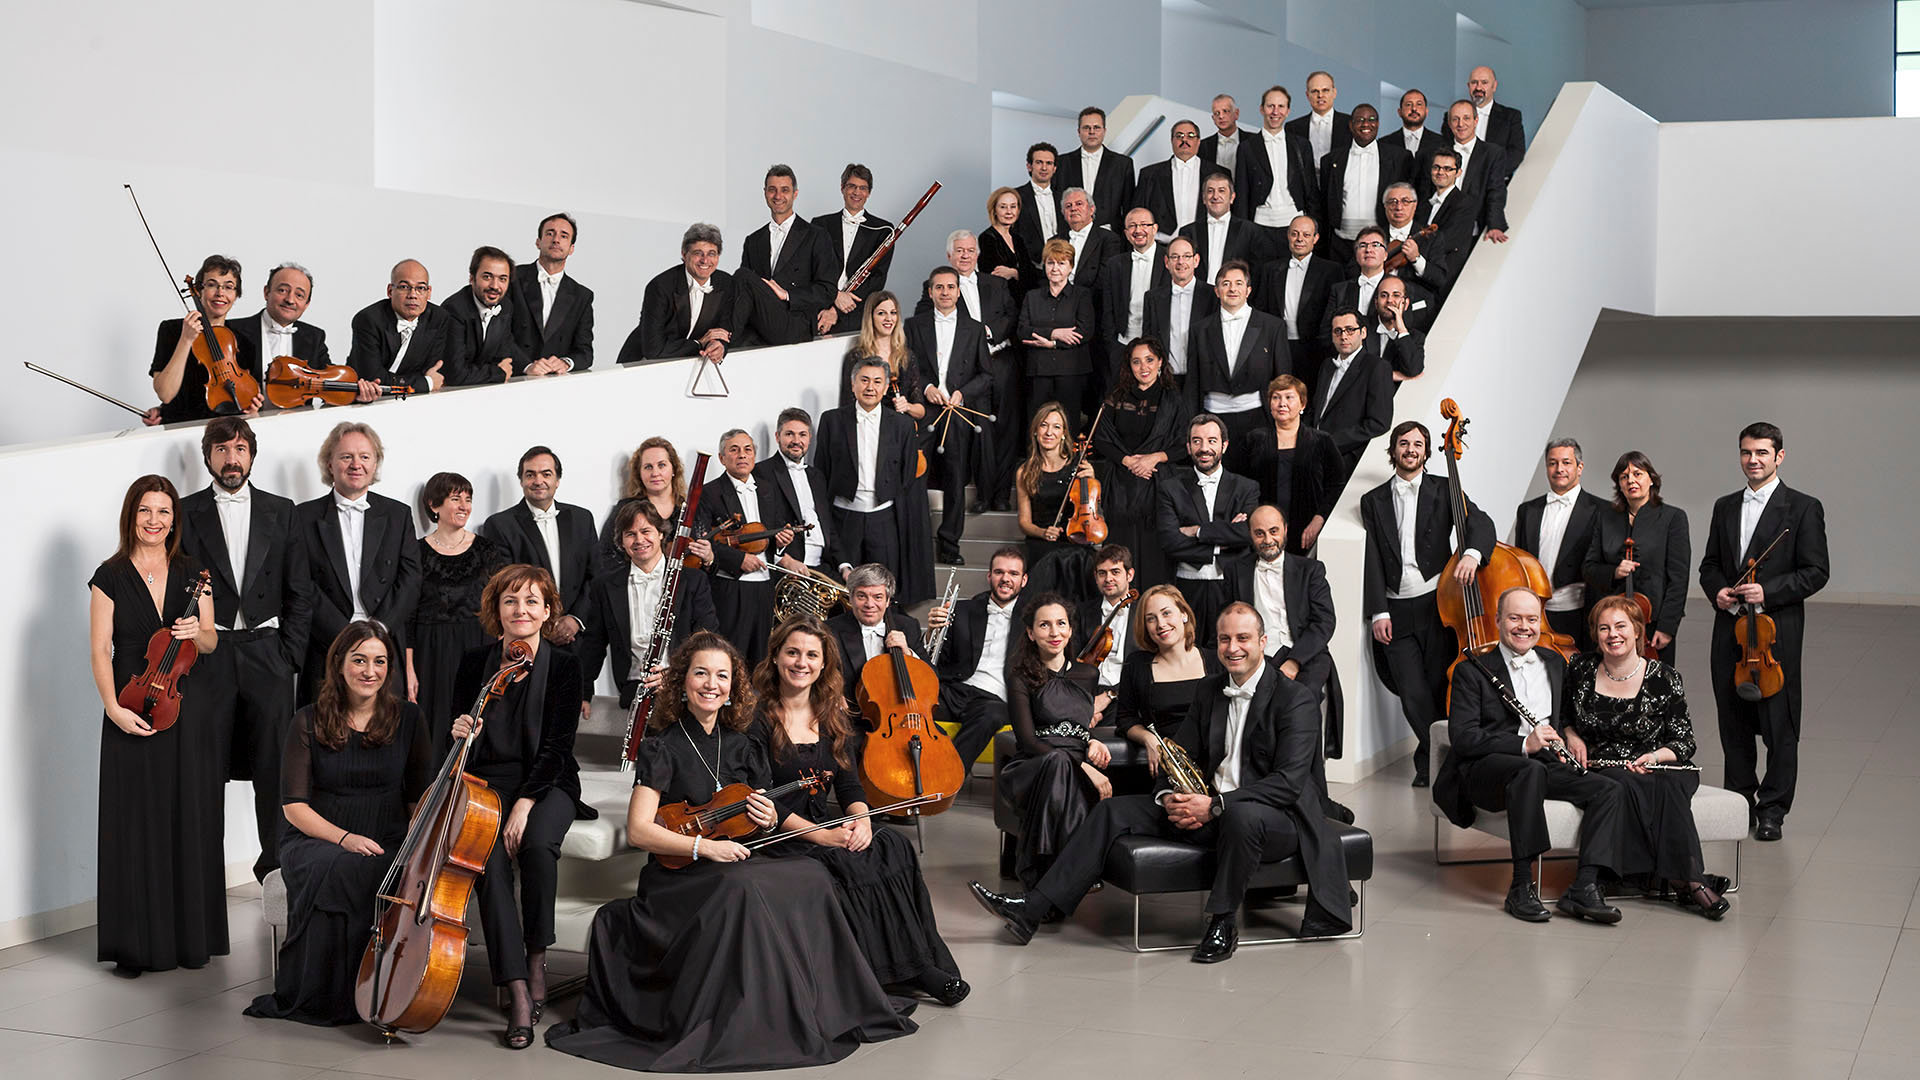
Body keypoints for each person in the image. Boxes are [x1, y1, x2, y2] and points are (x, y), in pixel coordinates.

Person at [545, 632, 916, 1069]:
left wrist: (767, 816)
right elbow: (641, 831)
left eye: (722, 676)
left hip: (732, 860)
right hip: (679, 876)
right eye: (701, 673)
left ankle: (809, 1009)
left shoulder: (741, 742)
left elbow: (758, 816)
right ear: (683, 682)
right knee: (744, 888)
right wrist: (703, 847)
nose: (711, 684)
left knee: (811, 875)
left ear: (733, 686)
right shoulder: (661, 744)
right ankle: (749, 1020)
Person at [971, 603, 1354, 961]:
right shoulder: (1210, 689)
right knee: (1111, 811)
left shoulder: (1295, 699)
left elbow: (1287, 783)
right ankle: (1033, 908)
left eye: (1243, 638)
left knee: (1243, 817)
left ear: (1263, 642)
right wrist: (1170, 795)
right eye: (1224, 639)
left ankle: (1223, 923)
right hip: (1207, 805)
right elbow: (1179, 753)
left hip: (1273, 819)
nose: (1232, 648)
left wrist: (1215, 806)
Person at [751, 618, 967, 1004]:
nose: (801, 662)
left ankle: (916, 963)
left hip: (824, 825)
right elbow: (765, 799)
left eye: (811, 655)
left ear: (823, 664)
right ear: (776, 657)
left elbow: (849, 785)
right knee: (845, 863)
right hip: (779, 835)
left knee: (892, 847)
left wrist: (862, 819)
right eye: (792, 652)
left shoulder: (832, 716)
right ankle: (888, 973)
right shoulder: (757, 719)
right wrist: (823, 836)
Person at [243, 622, 431, 1024]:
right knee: (344, 864)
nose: (370, 671)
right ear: (340, 665)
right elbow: (294, 807)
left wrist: (418, 846)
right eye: (359, 660)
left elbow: (418, 798)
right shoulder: (307, 720)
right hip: (317, 835)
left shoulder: (410, 718)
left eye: (379, 661)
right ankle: (333, 996)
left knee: (374, 864)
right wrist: (344, 838)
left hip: (386, 833)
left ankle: (375, 989)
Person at [449, 564, 592, 1048]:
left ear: (548, 610)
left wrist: (525, 803)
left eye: (532, 601)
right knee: (486, 860)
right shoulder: (475, 662)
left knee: (536, 845)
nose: (521, 610)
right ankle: (515, 989)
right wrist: (461, 732)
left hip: (548, 782)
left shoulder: (566, 666)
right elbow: (459, 732)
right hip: (487, 784)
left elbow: (557, 746)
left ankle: (535, 960)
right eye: (510, 601)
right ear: (498, 610)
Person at [89, 475, 224, 976]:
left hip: (183, 710)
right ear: (132, 515)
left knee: (187, 816)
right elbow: (99, 649)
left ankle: (189, 942)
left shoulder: (192, 572)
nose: (154, 520)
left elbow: (210, 641)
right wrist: (112, 708)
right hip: (130, 705)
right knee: (133, 823)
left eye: (163, 511)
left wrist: (196, 632)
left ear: (174, 519)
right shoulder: (109, 575)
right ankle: (133, 946)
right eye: (145, 510)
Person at [1435, 588, 1626, 924]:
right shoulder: (1472, 670)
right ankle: (1521, 887)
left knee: (1608, 789)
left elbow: (1562, 716)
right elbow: (1463, 739)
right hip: (1486, 769)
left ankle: (1584, 886)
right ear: (1498, 620)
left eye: (1532, 619)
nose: (1524, 627)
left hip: (1542, 763)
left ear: (1541, 623)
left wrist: (1569, 734)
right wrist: (1524, 744)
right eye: (1515, 618)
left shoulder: (1554, 662)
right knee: (1529, 772)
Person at [176, 417, 312, 881]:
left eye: (239, 449)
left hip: (267, 653)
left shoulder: (282, 509)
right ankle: (203, 881)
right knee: (204, 767)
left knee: (275, 768)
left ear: (252, 455)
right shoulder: (185, 512)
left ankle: (277, 872)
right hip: (207, 655)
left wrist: (288, 657)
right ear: (207, 457)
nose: (231, 459)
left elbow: (300, 590)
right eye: (221, 449)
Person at [1699, 421, 1829, 841]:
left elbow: (1816, 571)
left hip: (1774, 633)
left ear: (1779, 456)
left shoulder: (1803, 508)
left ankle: (1772, 809)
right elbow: (1709, 564)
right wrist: (1718, 590)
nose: (1752, 460)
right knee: (1732, 722)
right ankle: (1740, 802)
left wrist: (1768, 592)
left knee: (1779, 726)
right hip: (1729, 629)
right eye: (1746, 452)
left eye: (1761, 453)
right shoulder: (1724, 506)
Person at [1564, 596, 1729, 919]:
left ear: (1637, 631)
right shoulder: (1580, 669)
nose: (1613, 634)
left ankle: (1682, 879)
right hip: (1607, 765)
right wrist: (1572, 735)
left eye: (1621, 626)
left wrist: (1654, 756)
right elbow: (1562, 717)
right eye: (1604, 628)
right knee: (1626, 785)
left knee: (1666, 784)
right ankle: (1690, 880)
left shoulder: (1664, 676)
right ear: (1595, 634)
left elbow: (1684, 741)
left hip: (1659, 761)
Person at [1362, 420, 1494, 787]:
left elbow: (1481, 522)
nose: (1410, 450)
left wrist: (1471, 554)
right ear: (1394, 449)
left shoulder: (1444, 488)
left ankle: (1430, 765)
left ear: (1426, 451)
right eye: (1403, 443)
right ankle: (1448, 761)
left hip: (1437, 604)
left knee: (1438, 684)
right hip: (1395, 608)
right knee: (1411, 692)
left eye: (1417, 444)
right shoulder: (1372, 500)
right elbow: (1372, 557)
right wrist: (1378, 610)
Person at [294, 422, 422, 705]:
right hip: (327, 644)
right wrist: (345, 635)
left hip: (384, 644)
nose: (356, 464)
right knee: (326, 727)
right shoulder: (302, 516)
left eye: (365, 456)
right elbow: (302, 584)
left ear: (375, 464)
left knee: (385, 727)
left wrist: (377, 632)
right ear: (330, 464)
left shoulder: (398, 514)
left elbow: (410, 580)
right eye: (346, 456)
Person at [996, 595, 1104, 887]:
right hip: (1034, 766)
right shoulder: (1018, 676)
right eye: (1044, 625)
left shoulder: (1088, 674)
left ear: (1070, 629)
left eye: (1061, 624)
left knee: (1061, 769)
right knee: (1057, 763)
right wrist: (1083, 767)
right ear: (1031, 633)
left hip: (1073, 764)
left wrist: (1092, 741)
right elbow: (1027, 740)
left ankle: (1041, 886)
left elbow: (1080, 723)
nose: (1054, 632)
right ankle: (1076, 873)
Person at [577, 500, 718, 712]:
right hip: (635, 689)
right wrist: (583, 694)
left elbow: (707, 638)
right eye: (630, 534)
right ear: (621, 541)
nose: (639, 540)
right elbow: (593, 644)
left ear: (661, 534)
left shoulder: (692, 580)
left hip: (683, 686)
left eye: (646, 531)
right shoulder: (605, 585)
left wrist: (676, 675)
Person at [408, 471, 508, 759]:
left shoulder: (488, 550)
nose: (464, 505)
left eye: (468, 499)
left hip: (478, 645)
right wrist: (409, 668)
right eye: (455, 498)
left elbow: (500, 605)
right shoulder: (416, 552)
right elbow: (408, 615)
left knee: (477, 720)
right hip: (431, 651)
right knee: (435, 724)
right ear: (434, 505)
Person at [818, 357, 933, 602]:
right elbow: (822, 471)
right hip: (844, 517)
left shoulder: (903, 424)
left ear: (885, 387)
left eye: (877, 381)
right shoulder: (831, 420)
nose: (870, 387)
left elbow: (907, 474)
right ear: (853, 385)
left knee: (884, 588)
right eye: (864, 380)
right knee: (843, 591)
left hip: (884, 517)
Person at [905, 266, 993, 563]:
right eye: (939, 287)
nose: (945, 292)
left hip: (957, 412)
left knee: (955, 480)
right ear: (930, 292)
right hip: (924, 410)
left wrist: (963, 394)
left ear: (958, 291)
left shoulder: (975, 328)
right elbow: (906, 365)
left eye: (950, 287)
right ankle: (916, 541)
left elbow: (986, 375)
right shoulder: (913, 325)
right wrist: (926, 387)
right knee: (916, 476)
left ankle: (949, 544)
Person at [1094, 339, 1191, 590]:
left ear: (1160, 362)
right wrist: (1128, 461)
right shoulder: (1116, 396)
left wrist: (1154, 458)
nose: (1143, 367)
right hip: (1121, 486)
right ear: (1129, 365)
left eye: (1149, 360)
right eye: (1136, 362)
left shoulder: (1173, 399)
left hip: (1158, 484)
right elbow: (1101, 438)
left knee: (1155, 554)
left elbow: (1184, 444)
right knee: (1120, 552)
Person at [478, 445, 597, 648]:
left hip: (578, 640)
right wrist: (544, 624)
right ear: (521, 481)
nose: (538, 481)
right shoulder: (499, 525)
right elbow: (504, 585)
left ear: (557, 480)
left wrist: (575, 619)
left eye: (546, 474)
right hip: (527, 639)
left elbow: (595, 574)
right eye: (530, 474)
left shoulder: (582, 519)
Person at [1156, 413, 1258, 638]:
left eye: (1212, 441)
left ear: (1224, 445)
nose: (1204, 448)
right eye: (1197, 441)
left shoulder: (1246, 487)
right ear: (1188, 447)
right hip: (1186, 586)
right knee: (1186, 647)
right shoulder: (1170, 488)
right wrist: (1224, 540)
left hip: (1231, 585)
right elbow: (1170, 541)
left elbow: (1247, 534)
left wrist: (1198, 531)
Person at [1584, 450, 1689, 665]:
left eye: (1637, 474)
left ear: (1652, 479)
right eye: (1624, 476)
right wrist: (1614, 572)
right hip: (1612, 626)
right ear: (1619, 485)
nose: (1631, 480)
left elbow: (1679, 579)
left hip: (1654, 624)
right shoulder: (1606, 518)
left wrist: (1667, 627)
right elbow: (1589, 568)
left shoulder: (1673, 518)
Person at [928, 547, 1031, 768]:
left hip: (994, 698)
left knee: (991, 715)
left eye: (1013, 573)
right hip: (954, 689)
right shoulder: (963, 609)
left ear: (1024, 580)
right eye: (999, 572)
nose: (1005, 579)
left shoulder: (1033, 617)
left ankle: (946, 777)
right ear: (989, 576)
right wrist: (931, 633)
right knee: (911, 704)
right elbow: (936, 660)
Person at [696, 429, 791, 667]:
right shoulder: (709, 492)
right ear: (722, 458)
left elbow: (773, 534)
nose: (742, 455)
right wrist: (739, 560)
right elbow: (704, 540)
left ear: (754, 456)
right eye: (734, 450)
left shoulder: (768, 489)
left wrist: (780, 544)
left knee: (761, 658)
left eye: (748, 449)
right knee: (731, 655)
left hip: (765, 586)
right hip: (730, 586)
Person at [1182, 260, 1285, 463]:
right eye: (1226, 283)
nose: (1232, 289)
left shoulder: (1272, 326)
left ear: (1248, 290)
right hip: (1213, 419)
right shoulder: (1199, 329)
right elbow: (1193, 383)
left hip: (1258, 417)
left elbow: (1283, 380)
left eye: (1238, 283)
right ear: (1217, 291)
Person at [1109, 585, 1218, 772]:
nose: (1160, 624)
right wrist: (1148, 738)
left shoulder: (1216, 661)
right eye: (1151, 619)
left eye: (1166, 613)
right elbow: (1125, 718)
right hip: (1169, 768)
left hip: (1215, 764)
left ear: (1184, 614)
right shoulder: (1137, 664)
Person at [148, 254, 266, 424]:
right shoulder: (171, 330)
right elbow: (165, 394)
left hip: (224, 432)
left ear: (236, 295)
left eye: (228, 287)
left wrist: (251, 408)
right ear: (199, 291)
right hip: (179, 428)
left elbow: (243, 404)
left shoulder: (243, 342)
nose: (220, 293)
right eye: (212, 285)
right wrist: (186, 340)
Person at [1513, 438, 1604, 650]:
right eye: (1552, 463)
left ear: (1579, 467)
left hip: (1580, 612)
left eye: (1566, 462)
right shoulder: (1527, 510)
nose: (1559, 469)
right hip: (1536, 613)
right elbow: (1522, 563)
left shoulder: (1601, 510)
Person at [736, 164, 837, 347]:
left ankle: (723, 335)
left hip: (795, 323)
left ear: (795, 194)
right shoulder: (753, 240)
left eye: (785, 190)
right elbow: (745, 295)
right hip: (761, 324)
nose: (778, 196)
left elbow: (827, 291)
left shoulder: (816, 235)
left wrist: (788, 294)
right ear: (765, 193)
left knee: (742, 276)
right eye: (772, 190)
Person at [1244, 375, 1344, 552]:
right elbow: (1242, 481)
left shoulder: (1322, 441)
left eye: (1289, 397)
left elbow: (1337, 485)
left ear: (1302, 404)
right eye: (1276, 397)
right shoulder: (1254, 439)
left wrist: (1319, 519)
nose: (1282, 403)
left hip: (1307, 528)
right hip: (1263, 531)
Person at [1015, 400, 1097, 607]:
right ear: (1035, 431)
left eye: (1056, 427)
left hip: (1074, 541)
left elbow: (1093, 512)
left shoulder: (1080, 467)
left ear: (1064, 434)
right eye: (1043, 425)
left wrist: (1091, 480)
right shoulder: (1024, 472)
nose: (1049, 432)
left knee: (1078, 559)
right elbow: (1024, 522)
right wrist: (1043, 532)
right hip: (1041, 543)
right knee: (1047, 562)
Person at [624, 222, 737, 364]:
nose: (705, 260)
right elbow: (653, 349)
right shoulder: (660, 287)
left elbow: (724, 329)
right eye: (698, 253)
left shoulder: (726, 283)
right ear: (684, 254)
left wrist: (719, 345)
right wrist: (699, 344)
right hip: (642, 363)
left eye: (711, 254)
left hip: (688, 362)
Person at [1317, 105, 1415, 258]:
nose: (1366, 124)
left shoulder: (1399, 158)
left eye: (1371, 119)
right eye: (1360, 120)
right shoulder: (1331, 160)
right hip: (1340, 243)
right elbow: (1324, 202)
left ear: (1378, 124)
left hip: (1381, 243)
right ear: (1351, 125)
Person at [826, 563, 927, 710]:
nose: (869, 604)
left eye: (878, 597)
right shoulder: (829, 630)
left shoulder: (907, 626)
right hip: (850, 714)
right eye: (862, 596)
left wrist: (908, 653)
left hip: (899, 712)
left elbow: (932, 678)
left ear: (888, 601)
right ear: (850, 598)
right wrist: (829, 692)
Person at [598, 436, 703, 577]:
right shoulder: (625, 508)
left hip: (683, 587)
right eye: (648, 467)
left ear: (674, 469)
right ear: (639, 473)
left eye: (662, 465)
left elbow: (704, 566)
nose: (655, 473)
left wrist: (709, 559)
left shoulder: (691, 509)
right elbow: (605, 555)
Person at [1312, 307, 1395, 483]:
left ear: (1363, 333)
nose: (1343, 336)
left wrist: (1330, 443)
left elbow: (1379, 423)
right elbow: (1316, 409)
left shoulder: (1377, 367)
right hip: (1313, 453)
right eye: (1338, 331)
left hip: (1345, 458)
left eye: (1350, 330)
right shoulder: (1327, 365)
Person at [345, 259, 451, 396]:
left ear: (429, 292)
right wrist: (426, 383)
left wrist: (421, 381)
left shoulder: (438, 318)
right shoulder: (368, 320)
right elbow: (375, 380)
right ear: (390, 291)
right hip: (364, 399)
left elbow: (432, 370)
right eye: (404, 287)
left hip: (415, 398)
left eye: (420, 288)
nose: (412, 295)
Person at [1252, 215, 1340, 378]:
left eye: (1306, 235)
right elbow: (1261, 309)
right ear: (1288, 236)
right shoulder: (1270, 269)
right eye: (1294, 234)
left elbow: (1334, 312)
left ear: (1315, 238)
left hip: (1315, 349)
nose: (1299, 239)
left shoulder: (1331, 271)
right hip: (1278, 346)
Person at [1018, 238, 1097, 419]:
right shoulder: (1032, 296)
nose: (1055, 268)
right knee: (1037, 421)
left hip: (1072, 370)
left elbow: (1085, 331)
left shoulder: (1082, 295)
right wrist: (1055, 333)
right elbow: (1022, 330)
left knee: (1069, 421)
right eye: (1050, 263)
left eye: (1061, 263)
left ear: (1071, 267)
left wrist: (1052, 344)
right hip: (1039, 371)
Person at [813, 163, 894, 335]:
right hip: (820, 309)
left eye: (863, 188)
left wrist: (837, 310)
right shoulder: (820, 224)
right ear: (842, 188)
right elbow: (812, 269)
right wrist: (835, 296)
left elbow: (877, 280)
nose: (857, 193)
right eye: (852, 186)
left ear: (869, 193)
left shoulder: (883, 230)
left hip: (858, 313)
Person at [509, 212, 594, 374]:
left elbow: (585, 352)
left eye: (564, 236)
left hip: (555, 382)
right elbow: (500, 334)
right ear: (538, 242)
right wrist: (527, 366)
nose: (556, 239)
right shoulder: (511, 278)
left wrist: (566, 363)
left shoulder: (582, 296)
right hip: (513, 377)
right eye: (550, 233)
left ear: (571, 248)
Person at [1235, 86, 1318, 251]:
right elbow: (1242, 194)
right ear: (1261, 109)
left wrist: (1313, 224)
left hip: (1295, 225)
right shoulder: (1247, 147)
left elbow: (1311, 190)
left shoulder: (1302, 146)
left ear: (1288, 111)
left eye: (1281, 106)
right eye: (1270, 106)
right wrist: (1242, 233)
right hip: (1260, 226)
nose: (1275, 111)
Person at [756, 408, 834, 577]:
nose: (796, 441)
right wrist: (781, 558)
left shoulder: (817, 476)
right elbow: (759, 524)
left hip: (823, 566)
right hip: (788, 566)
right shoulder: (762, 472)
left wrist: (844, 565)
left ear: (810, 438)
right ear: (777, 436)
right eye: (789, 434)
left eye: (802, 435)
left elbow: (829, 527)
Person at [230, 262, 330, 391]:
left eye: (299, 295)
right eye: (282, 290)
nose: (290, 300)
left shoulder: (314, 337)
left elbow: (331, 386)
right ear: (267, 292)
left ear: (306, 304)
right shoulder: (232, 330)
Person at [440, 245, 532, 386]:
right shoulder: (453, 310)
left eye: (502, 279)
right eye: (487, 277)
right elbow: (455, 374)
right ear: (472, 278)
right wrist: (498, 373)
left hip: (485, 389)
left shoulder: (505, 306)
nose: (495, 286)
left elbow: (504, 357)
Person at [1426, 101, 1511, 246]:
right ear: (1449, 123)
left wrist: (1495, 224)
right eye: (1455, 119)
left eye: (1466, 118)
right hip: (1436, 229)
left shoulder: (1493, 153)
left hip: (1472, 230)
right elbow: (1424, 191)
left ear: (1476, 120)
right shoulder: (1433, 152)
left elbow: (1496, 191)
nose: (1461, 124)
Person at [919, 229, 1016, 356]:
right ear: (949, 256)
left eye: (971, 250)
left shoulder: (997, 283)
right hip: (960, 361)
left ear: (977, 255)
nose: (965, 256)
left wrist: (989, 331)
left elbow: (1012, 315)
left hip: (1000, 358)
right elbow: (923, 321)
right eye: (959, 251)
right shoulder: (936, 285)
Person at [1071, 545, 1140, 713]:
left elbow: (1146, 668)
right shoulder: (1081, 612)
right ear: (1096, 577)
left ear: (1129, 575)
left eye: (1115, 572)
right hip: (1087, 692)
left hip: (1127, 694)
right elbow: (1073, 659)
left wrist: (1110, 695)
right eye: (1102, 573)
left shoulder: (1144, 613)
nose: (1108, 579)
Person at [1141, 236, 1216, 379]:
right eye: (1175, 257)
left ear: (1196, 260)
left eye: (1186, 256)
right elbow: (1148, 341)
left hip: (1202, 378)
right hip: (1166, 379)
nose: (1181, 262)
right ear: (1167, 262)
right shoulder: (1152, 298)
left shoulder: (1213, 295)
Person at [836, 291, 918, 416]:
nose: (889, 318)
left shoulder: (906, 356)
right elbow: (847, 405)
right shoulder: (856, 357)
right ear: (871, 317)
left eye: (893, 313)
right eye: (881, 313)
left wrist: (908, 407)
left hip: (901, 425)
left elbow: (920, 410)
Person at [1179, 170, 1265, 288]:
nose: (1215, 196)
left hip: (1235, 295)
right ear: (1203, 198)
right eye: (1210, 191)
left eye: (1221, 191)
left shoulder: (1250, 231)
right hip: (1198, 294)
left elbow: (1256, 273)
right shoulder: (1188, 232)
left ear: (1232, 197)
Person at [1056, 106, 1136, 231]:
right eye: (1086, 127)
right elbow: (1057, 204)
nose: (1091, 132)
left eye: (1096, 127)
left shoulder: (1123, 164)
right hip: (1070, 234)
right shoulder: (1062, 163)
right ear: (1078, 131)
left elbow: (1129, 207)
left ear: (1104, 131)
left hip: (1111, 235)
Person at [1133, 119, 1206, 236]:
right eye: (1179, 136)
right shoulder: (1149, 175)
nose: (1184, 140)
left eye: (1190, 136)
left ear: (1198, 141)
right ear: (1172, 141)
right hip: (1162, 242)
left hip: (1204, 242)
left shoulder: (1216, 173)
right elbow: (1137, 215)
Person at [1467, 65, 1526, 177]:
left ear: (1494, 86)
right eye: (1474, 82)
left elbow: (1516, 153)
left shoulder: (1511, 117)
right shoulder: (1452, 116)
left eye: (1484, 82)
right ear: (1468, 86)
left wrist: (1490, 175)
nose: (1478, 87)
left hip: (1496, 182)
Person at [1369, 274, 1429, 383]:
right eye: (1384, 295)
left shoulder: (1415, 337)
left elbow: (1414, 370)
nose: (1389, 300)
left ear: (1406, 304)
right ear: (1376, 302)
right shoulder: (1359, 327)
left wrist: (1401, 330)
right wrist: (1393, 375)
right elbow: (1352, 367)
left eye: (1396, 295)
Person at [1014, 142, 1063, 269]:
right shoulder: (1016, 196)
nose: (1044, 168)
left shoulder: (1064, 197)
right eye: (1039, 162)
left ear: (1054, 168)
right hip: (1029, 267)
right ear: (1029, 166)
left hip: (1062, 264)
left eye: (1049, 163)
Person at [982, 186, 1034, 301]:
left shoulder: (1018, 239)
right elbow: (995, 276)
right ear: (994, 210)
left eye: (1013, 206)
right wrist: (1021, 274)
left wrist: (1014, 273)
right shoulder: (986, 239)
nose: (1009, 211)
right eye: (1003, 207)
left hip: (1023, 301)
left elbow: (1032, 274)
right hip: (1001, 303)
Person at [1287, 71, 1350, 165]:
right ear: (1307, 95)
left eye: (1325, 90)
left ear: (1334, 93)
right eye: (1315, 91)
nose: (1320, 95)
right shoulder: (1292, 128)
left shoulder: (1350, 124)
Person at [1198, 93, 1253, 176]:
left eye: (1225, 111)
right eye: (1217, 113)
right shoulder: (1202, 146)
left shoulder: (1253, 141)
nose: (1221, 116)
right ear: (1213, 118)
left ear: (1236, 114)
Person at [1392, 88, 1444, 161]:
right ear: (1399, 112)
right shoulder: (1384, 143)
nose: (1414, 108)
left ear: (1426, 111)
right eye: (1408, 104)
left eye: (1419, 104)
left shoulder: (1442, 143)